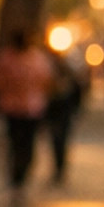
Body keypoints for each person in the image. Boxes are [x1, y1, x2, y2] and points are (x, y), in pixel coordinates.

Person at [0, 24, 54, 207]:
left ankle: (19, 180)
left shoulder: (36, 58)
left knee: (26, 147)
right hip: (13, 109)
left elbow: (47, 81)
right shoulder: (7, 58)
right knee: (16, 145)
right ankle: (16, 181)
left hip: (31, 110)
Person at [45, 49, 87, 183]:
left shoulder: (71, 81)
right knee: (56, 142)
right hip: (55, 116)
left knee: (61, 142)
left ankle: (60, 169)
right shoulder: (50, 80)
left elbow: (78, 96)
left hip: (64, 116)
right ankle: (58, 169)